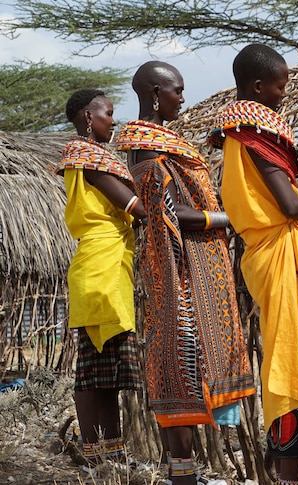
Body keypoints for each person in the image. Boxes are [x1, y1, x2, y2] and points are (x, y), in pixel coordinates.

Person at [208, 44, 298, 485]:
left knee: (291, 355)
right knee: (294, 362)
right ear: (257, 86)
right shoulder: (253, 131)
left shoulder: (236, 134)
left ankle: (288, 468)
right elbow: (290, 204)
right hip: (280, 251)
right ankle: (288, 474)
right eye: (279, 85)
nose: (283, 93)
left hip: (267, 253)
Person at [116, 61, 256, 485]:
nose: (183, 98)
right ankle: (184, 477)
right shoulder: (149, 146)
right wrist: (230, 218)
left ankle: (185, 475)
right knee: (184, 366)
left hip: (191, 269)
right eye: (177, 90)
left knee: (185, 370)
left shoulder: (158, 143)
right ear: (156, 92)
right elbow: (171, 214)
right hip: (183, 276)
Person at [55, 89, 145, 475]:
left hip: (106, 264)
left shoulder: (91, 156)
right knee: (94, 372)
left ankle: (110, 455)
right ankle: (97, 458)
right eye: (109, 113)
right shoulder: (87, 157)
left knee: (107, 371)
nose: (114, 120)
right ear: (89, 116)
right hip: (100, 267)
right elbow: (136, 208)